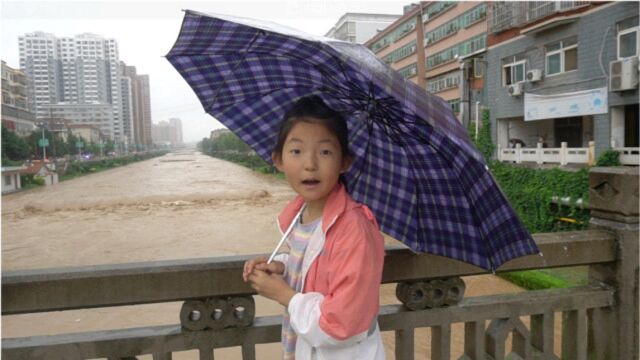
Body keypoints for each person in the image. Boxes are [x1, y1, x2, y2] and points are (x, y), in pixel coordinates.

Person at [242, 95, 386, 360]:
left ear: (345, 162)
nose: (310, 164)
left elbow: (341, 323)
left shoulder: (353, 230)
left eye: (325, 152)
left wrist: (285, 295)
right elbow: (315, 266)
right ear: (278, 159)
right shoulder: (301, 214)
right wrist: (283, 267)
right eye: (296, 151)